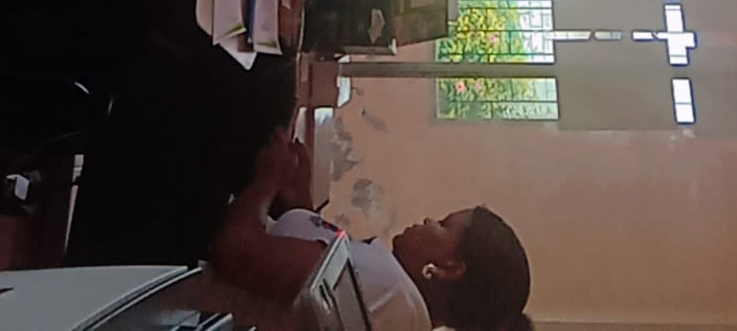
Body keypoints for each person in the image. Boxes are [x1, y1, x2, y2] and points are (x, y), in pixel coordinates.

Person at [211, 130, 533, 331]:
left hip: (198, 254)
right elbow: (298, 291)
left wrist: (269, 179)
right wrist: (301, 205)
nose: (428, 221)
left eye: (443, 224)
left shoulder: (386, 290)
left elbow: (235, 251)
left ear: (448, 268)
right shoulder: (400, 311)